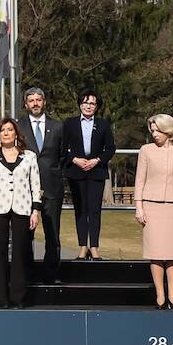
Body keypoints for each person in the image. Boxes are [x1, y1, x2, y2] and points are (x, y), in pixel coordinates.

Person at [0, 118, 41, 308]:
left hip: (23, 207)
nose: (6, 133)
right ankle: (1, 296)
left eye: (10, 129)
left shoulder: (29, 156)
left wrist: (35, 211)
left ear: (16, 133)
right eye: (2, 130)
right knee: (0, 252)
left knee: (20, 252)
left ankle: (18, 296)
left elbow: (35, 184)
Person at [135, 114, 173, 309]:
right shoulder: (146, 151)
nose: (154, 134)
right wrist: (139, 206)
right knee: (156, 252)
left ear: (168, 130)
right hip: (151, 206)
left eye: (157, 130)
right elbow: (139, 181)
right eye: (152, 130)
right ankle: (160, 294)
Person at [15, 87, 67, 284]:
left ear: (44, 102)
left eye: (38, 100)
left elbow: (63, 155)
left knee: (52, 232)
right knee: (25, 234)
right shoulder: (18, 127)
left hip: (52, 187)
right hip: (25, 189)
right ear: (26, 104)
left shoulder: (57, 126)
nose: (35, 103)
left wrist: (54, 172)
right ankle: (26, 274)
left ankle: (52, 274)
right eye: (31, 100)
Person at [61, 90, 114, 260]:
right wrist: (75, 159)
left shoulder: (104, 124)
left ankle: (95, 247)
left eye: (92, 103)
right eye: (85, 103)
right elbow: (62, 147)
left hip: (96, 171)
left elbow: (110, 148)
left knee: (95, 211)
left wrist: (97, 160)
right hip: (76, 171)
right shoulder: (69, 123)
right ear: (80, 104)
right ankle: (83, 247)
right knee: (81, 210)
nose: (88, 106)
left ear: (97, 106)